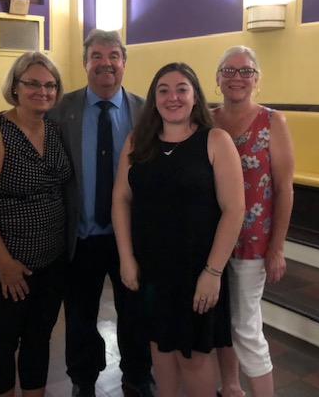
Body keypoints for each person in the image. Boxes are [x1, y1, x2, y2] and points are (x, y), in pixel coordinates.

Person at [112, 62, 246, 397]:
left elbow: (234, 210)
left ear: (195, 96)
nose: (173, 97)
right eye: (163, 90)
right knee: (159, 350)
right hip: (151, 269)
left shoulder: (215, 140)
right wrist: (126, 258)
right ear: (153, 98)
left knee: (193, 356)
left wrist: (212, 272)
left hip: (196, 269)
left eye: (181, 89)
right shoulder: (137, 141)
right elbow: (121, 200)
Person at [48, 29, 154, 397]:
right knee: (79, 315)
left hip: (132, 238)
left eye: (113, 56)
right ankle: (83, 379)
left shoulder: (146, 112)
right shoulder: (62, 111)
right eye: (96, 56)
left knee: (136, 312)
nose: (105, 63)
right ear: (84, 63)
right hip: (81, 236)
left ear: (124, 63)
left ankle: (138, 376)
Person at [0, 52, 72, 397]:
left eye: (50, 85)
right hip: (0, 264)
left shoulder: (54, 129)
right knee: (3, 340)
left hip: (50, 261)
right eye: (33, 83)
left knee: (39, 338)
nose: (43, 91)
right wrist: (4, 263)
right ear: (15, 86)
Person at [212, 46, 294, 397]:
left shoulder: (272, 122)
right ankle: (231, 387)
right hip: (212, 239)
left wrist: (277, 248)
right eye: (229, 71)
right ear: (217, 79)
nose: (237, 78)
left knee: (245, 325)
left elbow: (285, 188)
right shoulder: (208, 120)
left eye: (246, 71)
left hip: (252, 243)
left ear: (257, 80)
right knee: (220, 319)